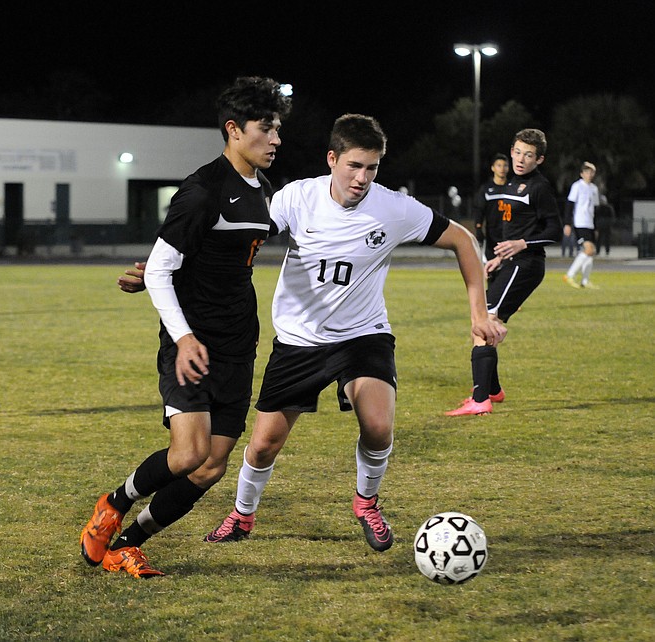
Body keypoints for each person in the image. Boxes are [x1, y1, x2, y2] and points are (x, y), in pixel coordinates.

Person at [204, 114, 506, 551]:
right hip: (299, 340)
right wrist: (174, 266)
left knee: (379, 426)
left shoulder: (394, 209)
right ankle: (242, 515)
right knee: (265, 445)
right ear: (332, 159)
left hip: (363, 335)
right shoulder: (296, 198)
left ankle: (366, 503)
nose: (363, 178)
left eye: (372, 168)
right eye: (354, 166)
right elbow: (241, 236)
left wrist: (479, 312)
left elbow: (461, 239)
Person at [79, 77, 292, 578]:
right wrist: (184, 336)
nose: (277, 139)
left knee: (212, 466)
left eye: (279, 129)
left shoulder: (264, 191)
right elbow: (158, 267)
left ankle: (128, 542)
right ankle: (111, 505)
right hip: (191, 344)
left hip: (239, 343)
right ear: (234, 130)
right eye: (268, 129)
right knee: (188, 452)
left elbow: (186, 263)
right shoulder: (202, 191)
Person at [446, 129, 562, 416]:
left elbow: (555, 231)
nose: (522, 159)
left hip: (527, 265)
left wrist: (522, 244)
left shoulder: (539, 187)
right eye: (518, 152)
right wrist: (499, 258)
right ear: (511, 151)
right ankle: (493, 390)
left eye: (529, 155)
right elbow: (515, 230)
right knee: (484, 320)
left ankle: (481, 399)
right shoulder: (512, 184)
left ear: (540, 159)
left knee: (483, 323)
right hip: (511, 264)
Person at [563, 162, 600, 289]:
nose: (589, 174)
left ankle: (585, 281)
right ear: (581, 174)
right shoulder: (577, 186)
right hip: (580, 223)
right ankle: (569, 275)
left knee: (591, 252)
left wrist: (596, 227)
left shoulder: (594, 189)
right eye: (587, 172)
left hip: (590, 224)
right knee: (589, 250)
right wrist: (567, 223)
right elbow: (569, 205)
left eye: (591, 172)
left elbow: (595, 209)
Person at [473, 153, 509, 262]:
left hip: (510, 234)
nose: (502, 168)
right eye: (499, 165)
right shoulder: (486, 189)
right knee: (490, 271)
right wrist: (478, 228)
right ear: (493, 168)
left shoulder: (513, 188)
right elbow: (479, 209)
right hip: (492, 236)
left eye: (505, 165)